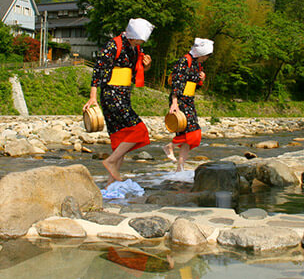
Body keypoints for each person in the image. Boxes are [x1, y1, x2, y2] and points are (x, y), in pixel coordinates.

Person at [84, 18, 154, 186]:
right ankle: (110, 162)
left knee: (120, 139)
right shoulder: (113, 45)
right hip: (111, 94)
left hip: (124, 94)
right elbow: (98, 70)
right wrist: (93, 97)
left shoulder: (136, 47)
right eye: (139, 39)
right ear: (132, 35)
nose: (140, 42)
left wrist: (147, 65)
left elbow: (137, 70)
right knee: (139, 130)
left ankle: (110, 184)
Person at [164, 38, 213, 171]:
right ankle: (170, 146)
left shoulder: (196, 64)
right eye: (206, 55)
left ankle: (180, 167)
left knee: (188, 136)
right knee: (193, 132)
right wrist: (174, 103)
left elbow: (194, 85)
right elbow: (176, 82)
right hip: (180, 99)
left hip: (189, 99)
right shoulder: (184, 61)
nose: (206, 58)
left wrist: (201, 79)